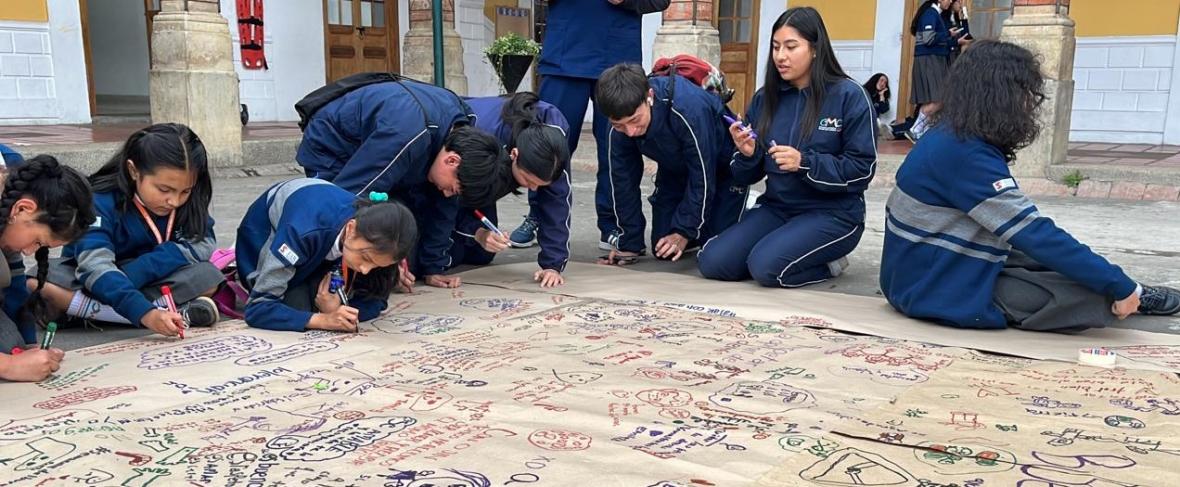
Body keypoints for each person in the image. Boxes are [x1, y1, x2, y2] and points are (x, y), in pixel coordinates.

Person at [880, 40, 1180, 331]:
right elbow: (1033, 231)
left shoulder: (951, 135)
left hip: (920, 269)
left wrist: (1116, 280)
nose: (1029, 103)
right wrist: (1117, 286)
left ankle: (1131, 291)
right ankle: (1131, 297)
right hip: (929, 286)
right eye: (1025, 93)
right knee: (1087, 296)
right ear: (1000, 95)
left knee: (1060, 263)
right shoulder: (963, 152)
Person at [698, 7, 876, 288]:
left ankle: (829, 263)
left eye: (791, 47)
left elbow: (862, 170)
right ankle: (784, 247)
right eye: (776, 47)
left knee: (765, 268)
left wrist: (805, 163)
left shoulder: (849, 96)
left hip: (833, 214)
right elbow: (745, 176)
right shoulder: (766, 98)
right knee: (713, 261)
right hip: (778, 208)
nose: (781, 56)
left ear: (815, 49)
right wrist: (746, 154)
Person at [296, 77, 515, 290]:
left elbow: (444, 206)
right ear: (451, 160)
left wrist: (433, 267)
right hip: (334, 149)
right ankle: (306, 272)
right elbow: (352, 196)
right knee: (339, 226)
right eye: (452, 188)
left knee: (407, 251)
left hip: (393, 152)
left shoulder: (461, 131)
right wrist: (385, 262)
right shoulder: (405, 137)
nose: (448, 194)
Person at [35, 124, 222, 338]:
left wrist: (145, 268)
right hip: (97, 279)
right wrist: (145, 311)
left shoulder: (187, 201)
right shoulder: (99, 200)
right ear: (134, 171)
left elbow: (203, 242)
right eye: (164, 190)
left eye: (185, 191)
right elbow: (94, 266)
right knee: (38, 281)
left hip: (149, 279)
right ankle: (164, 313)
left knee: (209, 276)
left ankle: (92, 313)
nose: (174, 201)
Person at [529, 0, 671, 251]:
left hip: (617, 58)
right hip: (564, 53)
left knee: (616, 149)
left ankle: (613, 224)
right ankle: (539, 217)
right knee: (548, 143)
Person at [594, 63, 746, 265]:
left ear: (649, 96)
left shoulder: (688, 108)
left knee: (714, 249)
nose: (630, 132)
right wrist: (629, 243)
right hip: (675, 171)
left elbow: (702, 174)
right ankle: (698, 223)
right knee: (663, 248)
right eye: (619, 125)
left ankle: (745, 207)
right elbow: (622, 182)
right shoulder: (617, 125)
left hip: (722, 170)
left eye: (635, 120)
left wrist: (684, 230)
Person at [235, 179, 417, 332]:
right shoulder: (302, 231)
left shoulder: (378, 240)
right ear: (351, 228)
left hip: (317, 252)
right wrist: (324, 320)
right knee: (297, 306)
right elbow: (258, 309)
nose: (365, 269)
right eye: (366, 258)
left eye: (377, 266)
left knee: (334, 296)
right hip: (260, 247)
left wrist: (337, 309)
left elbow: (376, 302)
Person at [454, 92, 572, 288]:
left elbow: (557, 200)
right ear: (514, 155)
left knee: (481, 254)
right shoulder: (483, 138)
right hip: (462, 154)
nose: (533, 189)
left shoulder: (554, 147)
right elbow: (450, 195)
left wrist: (553, 265)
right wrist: (476, 231)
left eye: (539, 185)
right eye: (528, 180)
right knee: (444, 254)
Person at [0, 156, 94, 382]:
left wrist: (31, 348)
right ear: (23, 209)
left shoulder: (9, 213)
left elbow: (14, 285)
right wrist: (9, 366)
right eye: (38, 242)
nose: (31, 251)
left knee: (11, 343)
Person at [907, 0, 954, 141]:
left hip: (934, 59)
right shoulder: (930, 14)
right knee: (938, 98)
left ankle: (922, 131)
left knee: (937, 98)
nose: (950, 1)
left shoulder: (935, 14)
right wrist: (947, 34)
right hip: (929, 59)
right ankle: (915, 129)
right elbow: (928, 39)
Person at [942, 0, 972, 65]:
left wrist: (964, 20)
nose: (960, 5)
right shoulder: (944, 19)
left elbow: (966, 36)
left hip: (956, 55)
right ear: (951, 3)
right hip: (946, 56)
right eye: (958, 1)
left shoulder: (956, 20)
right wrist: (957, 42)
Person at [862, 73, 891, 138]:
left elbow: (884, 110)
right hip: (863, 120)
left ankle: (882, 130)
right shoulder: (864, 91)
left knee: (877, 122)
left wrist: (881, 96)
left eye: (885, 82)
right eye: (881, 80)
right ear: (875, 80)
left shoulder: (882, 96)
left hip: (874, 121)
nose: (883, 84)